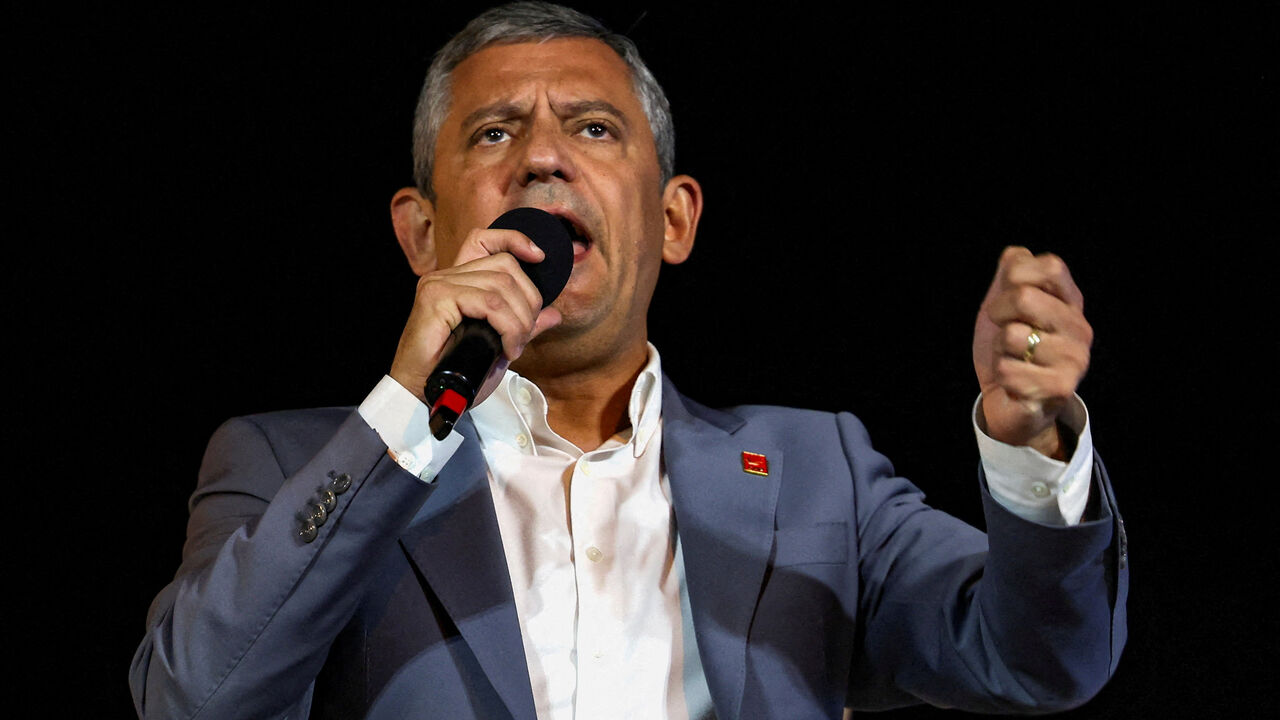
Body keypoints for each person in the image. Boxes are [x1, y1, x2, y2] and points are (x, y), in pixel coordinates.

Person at [129, 3, 1127, 718]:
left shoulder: (816, 472)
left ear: (673, 219)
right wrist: (403, 414)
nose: (542, 157)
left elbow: (1043, 660)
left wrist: (1030, 448)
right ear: (421, 234)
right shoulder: (285, 463)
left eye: (594, 128)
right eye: (494, 132)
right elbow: (193, 698)